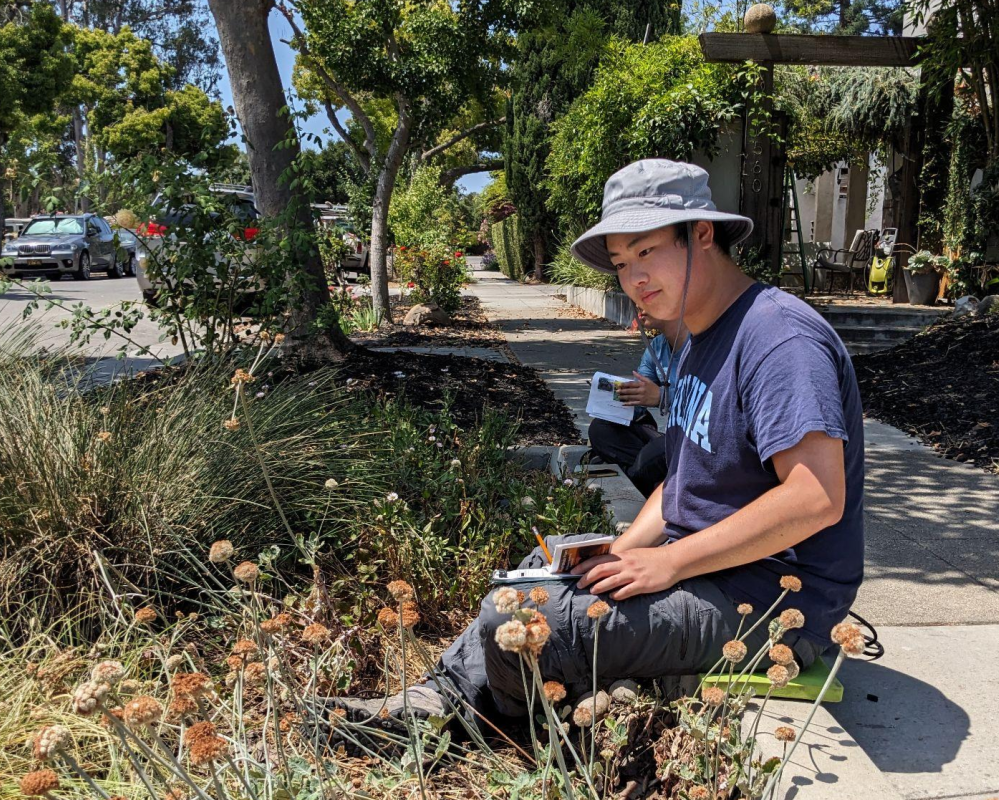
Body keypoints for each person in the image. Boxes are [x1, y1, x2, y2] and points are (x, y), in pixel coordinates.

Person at [338, 159, 864, 724]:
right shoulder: (695, 338)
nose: (634, 278)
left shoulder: (778, 338)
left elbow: (816, 497)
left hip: (776, 602)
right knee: (537, 579)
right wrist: (622, 551)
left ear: (703, 234)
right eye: (620, 263)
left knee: (516, 623)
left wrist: (672, 563)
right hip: (710, 572)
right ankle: (432, 701)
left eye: (646, 252)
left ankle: (500, 729)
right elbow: (686, 478)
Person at [586, 309, 687, 497]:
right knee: (600, 429)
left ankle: (641, 481)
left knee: (651, 455)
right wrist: (615, 398)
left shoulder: (701, 347)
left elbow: (713, 400)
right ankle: (657, 483)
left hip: (693, 439)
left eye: (647, 300)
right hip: (666, 438)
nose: (640, 308)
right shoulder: (656, 347)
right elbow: (641, 398)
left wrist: (662, 396)